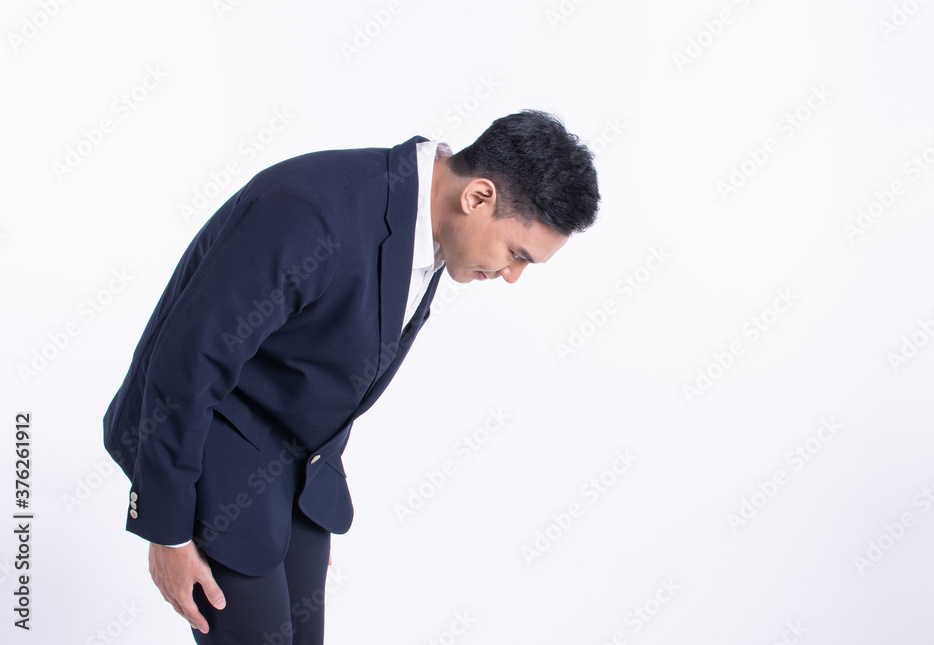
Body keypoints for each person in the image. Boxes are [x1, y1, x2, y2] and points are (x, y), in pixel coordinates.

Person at [102, 109, 600, 644]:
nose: (512, 276)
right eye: (516, 254)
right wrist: (167, 529)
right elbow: (187, 362)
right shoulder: (312, 213)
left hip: (291, 467)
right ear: (478, 197)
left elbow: (325, 355)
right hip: (207, 446)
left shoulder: (432, 227)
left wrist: (306, 500)